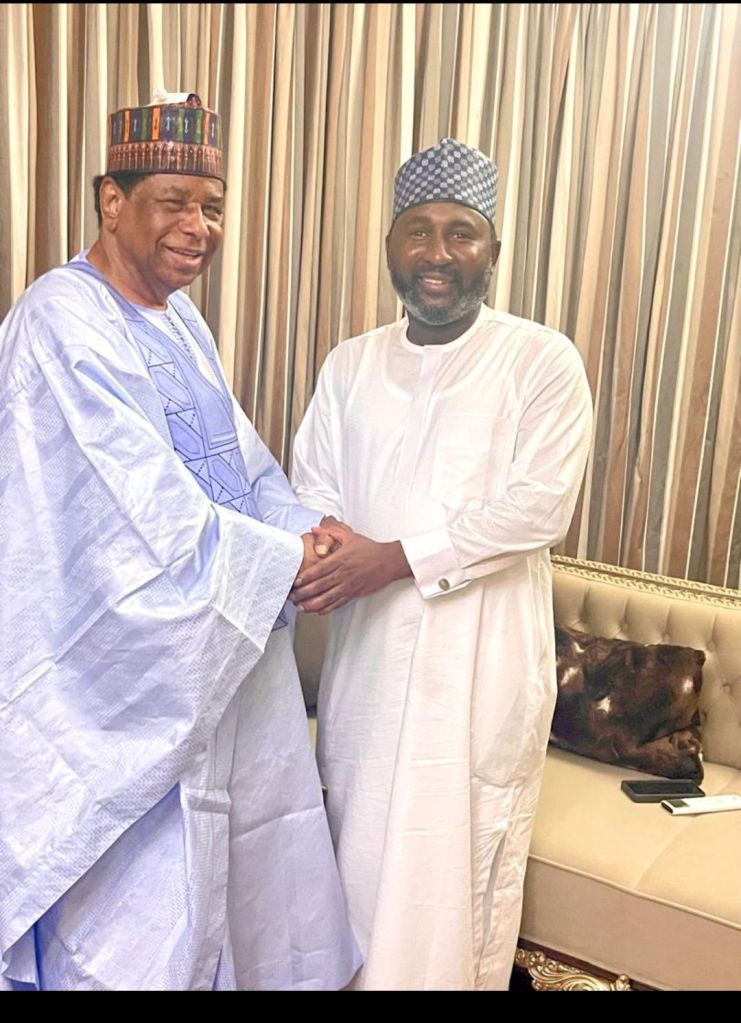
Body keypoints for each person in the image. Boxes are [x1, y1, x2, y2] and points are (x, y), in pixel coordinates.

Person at [0, 91, 359, 991]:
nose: (199, 228)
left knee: (236, 879)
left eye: (213, 207)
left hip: (226, 641)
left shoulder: (181, 318)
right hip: (125, 673)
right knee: (136, 907)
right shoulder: (61, 318)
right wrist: (283, 562)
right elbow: (128, 512)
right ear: (110, 200)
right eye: (174, 202)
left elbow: (239, 458)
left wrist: (301, 531)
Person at [290, 138, 593, 990]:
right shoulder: (350, 362)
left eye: (460, 232)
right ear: (389, 244)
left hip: (478, 666)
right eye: (417, 231)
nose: (436, 252)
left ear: (493, 250)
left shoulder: (540, 360)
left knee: (455, 862)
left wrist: (390, 559)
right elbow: (311, 484)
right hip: (366, 666)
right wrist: (322, 544)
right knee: (357, 849)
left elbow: (539, 507)